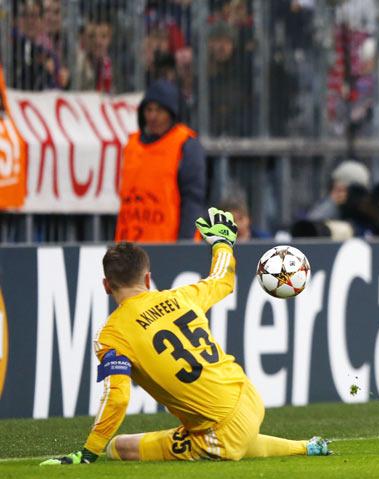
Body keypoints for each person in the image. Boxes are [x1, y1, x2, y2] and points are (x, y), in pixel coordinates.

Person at [41, 207, 330, 465]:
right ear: (146, 278)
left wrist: (88, 452)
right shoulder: (182, 297)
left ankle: (237, 441)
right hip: (249, 399)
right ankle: (306, 447)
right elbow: (222, 280)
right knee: (233, 436)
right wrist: (222, 244)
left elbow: (117, 397)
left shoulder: (112, 335)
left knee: (118, 448)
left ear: (106, 285)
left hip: (218, 431)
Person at [115, 79, 206, 242]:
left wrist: (186, 245)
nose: (152, 116)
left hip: (166, 246)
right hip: (129, 249)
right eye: (148, 110)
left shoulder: (186, 144)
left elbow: (192, 201)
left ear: (172, 113)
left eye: (159, 110)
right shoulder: (131, 145)